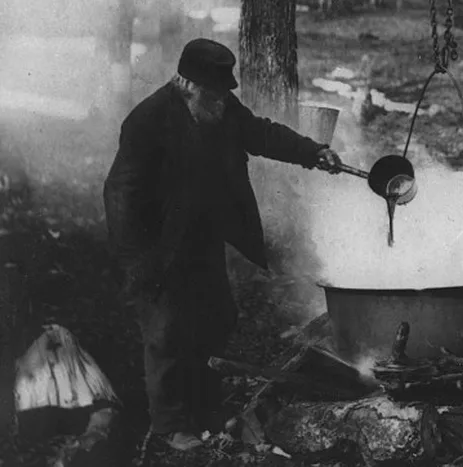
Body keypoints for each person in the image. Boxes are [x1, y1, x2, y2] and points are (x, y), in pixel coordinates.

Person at [102, 38, 343, 451]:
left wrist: (313, 152)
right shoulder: (147, 121)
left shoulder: (219, 109)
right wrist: (135, 262)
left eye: (224, 93)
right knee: (166, 332)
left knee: (217, 318)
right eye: (214, 93)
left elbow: (261, 133)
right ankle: (170, 426)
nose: (222, 101)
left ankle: (203, 408)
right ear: (186, 85)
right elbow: (119, 193)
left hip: (201, 238)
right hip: (156, 247)